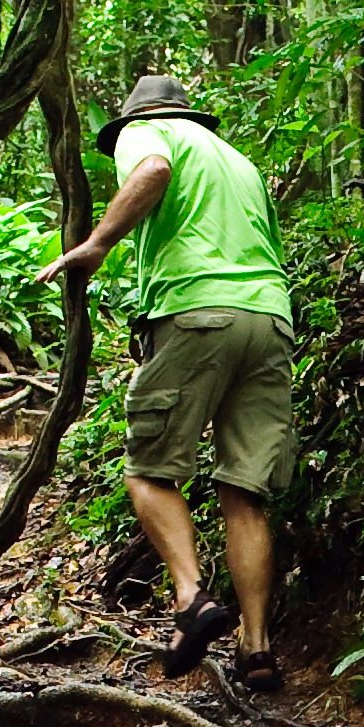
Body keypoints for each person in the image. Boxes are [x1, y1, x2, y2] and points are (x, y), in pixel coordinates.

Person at [47, 72, 295, 691]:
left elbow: (153, 171)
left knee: (149, 470)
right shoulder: (238, 161)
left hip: (195, 314)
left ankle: (191, 599)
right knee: (246, 490)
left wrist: (99, 243)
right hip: (268, 316)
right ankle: (257, 648)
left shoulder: (146, 132)